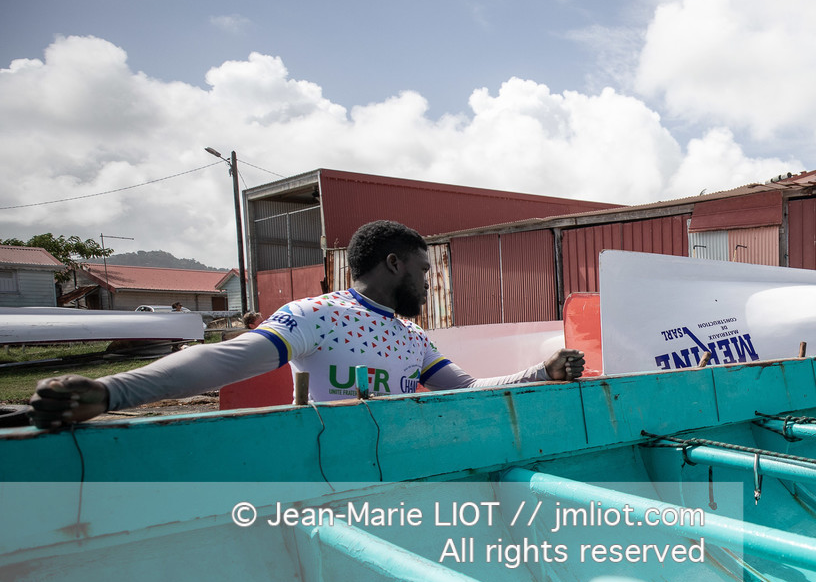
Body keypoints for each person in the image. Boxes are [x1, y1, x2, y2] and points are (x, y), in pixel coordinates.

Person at [30, 220, 588, 428]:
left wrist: (539, 372)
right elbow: (223, 361)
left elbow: (465, 390)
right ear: (394, 264)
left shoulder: (413, 337)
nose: (428, 283)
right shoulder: (314, 317)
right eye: (422, 271)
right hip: (330, 485)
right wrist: (109, 391)